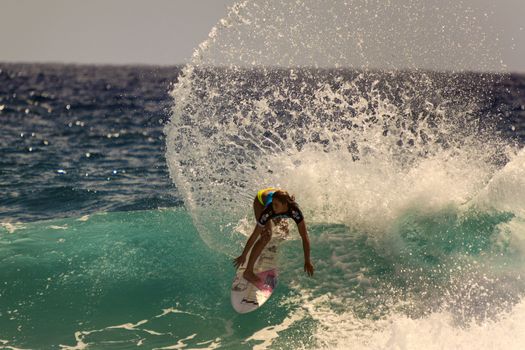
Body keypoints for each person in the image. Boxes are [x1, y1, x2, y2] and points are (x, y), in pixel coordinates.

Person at [233, 187, 314, 286]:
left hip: (274, 195)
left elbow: (304, 237)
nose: (273, 207)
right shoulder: (269, 209)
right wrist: (244, 254)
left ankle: (269, 247)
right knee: (266, 235)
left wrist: (307, 260)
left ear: (285, 205)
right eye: (273, 205)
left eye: (276, 205)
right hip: (260, 200)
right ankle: (248, 272)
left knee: (284, 231)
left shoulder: (294, 211)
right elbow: (254, 235)